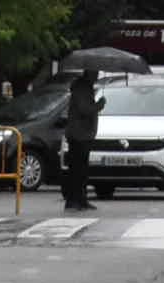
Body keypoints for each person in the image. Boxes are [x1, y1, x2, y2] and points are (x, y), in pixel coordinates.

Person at [62, 65, 101, 212]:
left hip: (83, 134)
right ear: (89, 72)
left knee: (81, 169)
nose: (97, 75)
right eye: (95, 72)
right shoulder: (82, 87)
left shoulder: (86, 87)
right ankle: (74, 200)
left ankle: (81, 199)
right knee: (77, 169)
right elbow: (84, 109)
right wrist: (98, 105)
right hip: (79, 135)